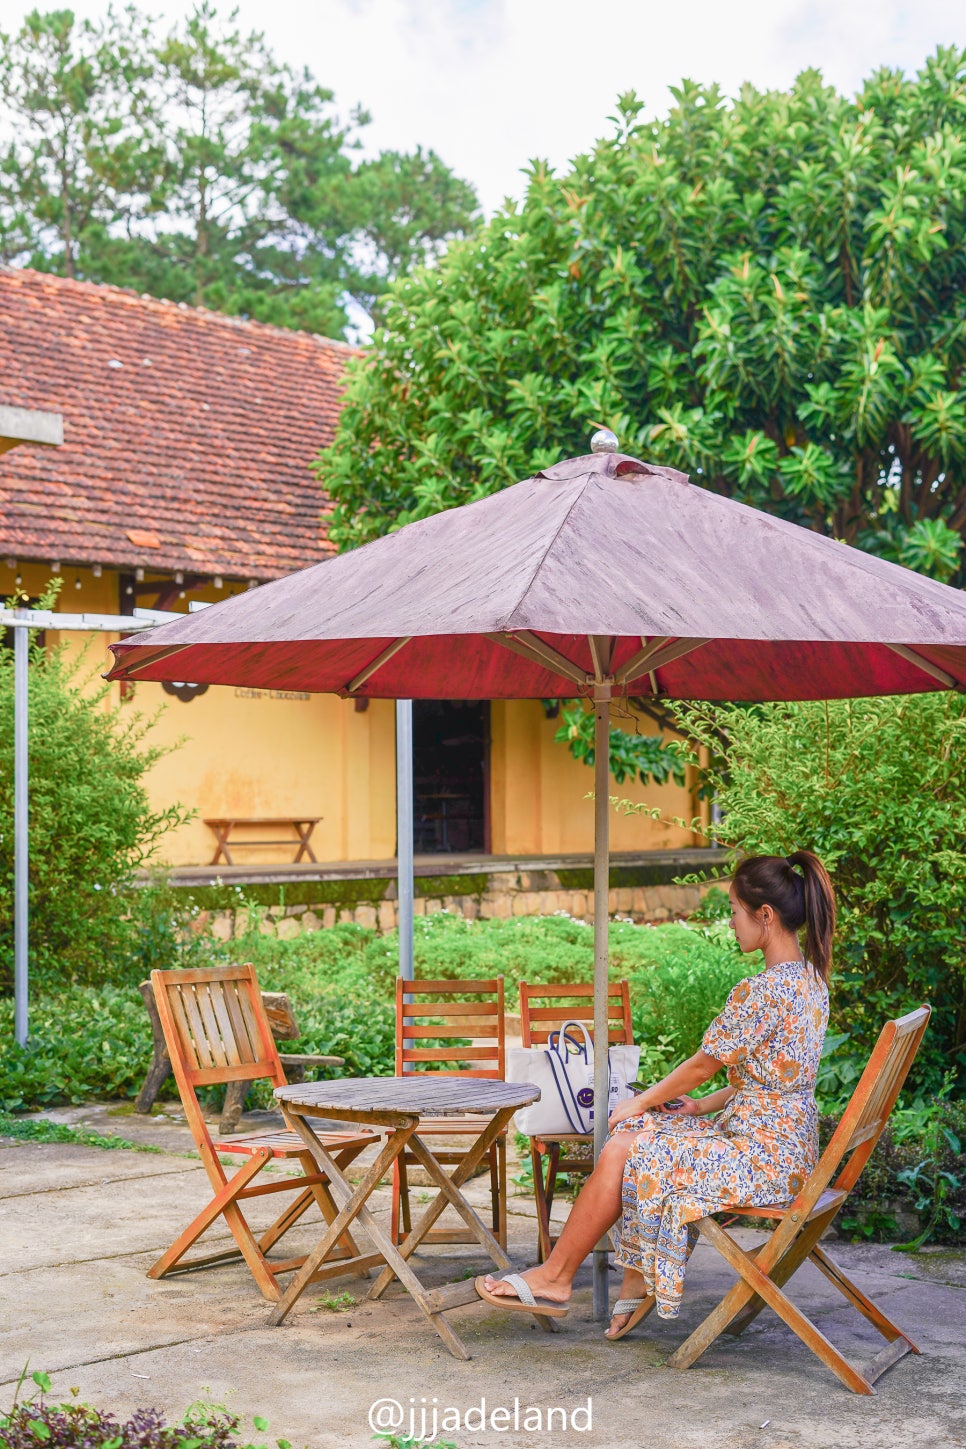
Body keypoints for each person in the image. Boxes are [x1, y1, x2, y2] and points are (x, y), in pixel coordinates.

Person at [477, 850, 835, 1337]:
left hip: (761, 1160)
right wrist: (697, 1108)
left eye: (734, 910)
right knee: (637, 1136)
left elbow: (704, 1065)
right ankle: (621, 1275)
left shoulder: (764, 990)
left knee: (628, 1140)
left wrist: (643, 1099)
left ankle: (567, 1276)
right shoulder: (811, 981)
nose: (731, 922)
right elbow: (770, 1081)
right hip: (788, 1151)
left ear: (765, 916)